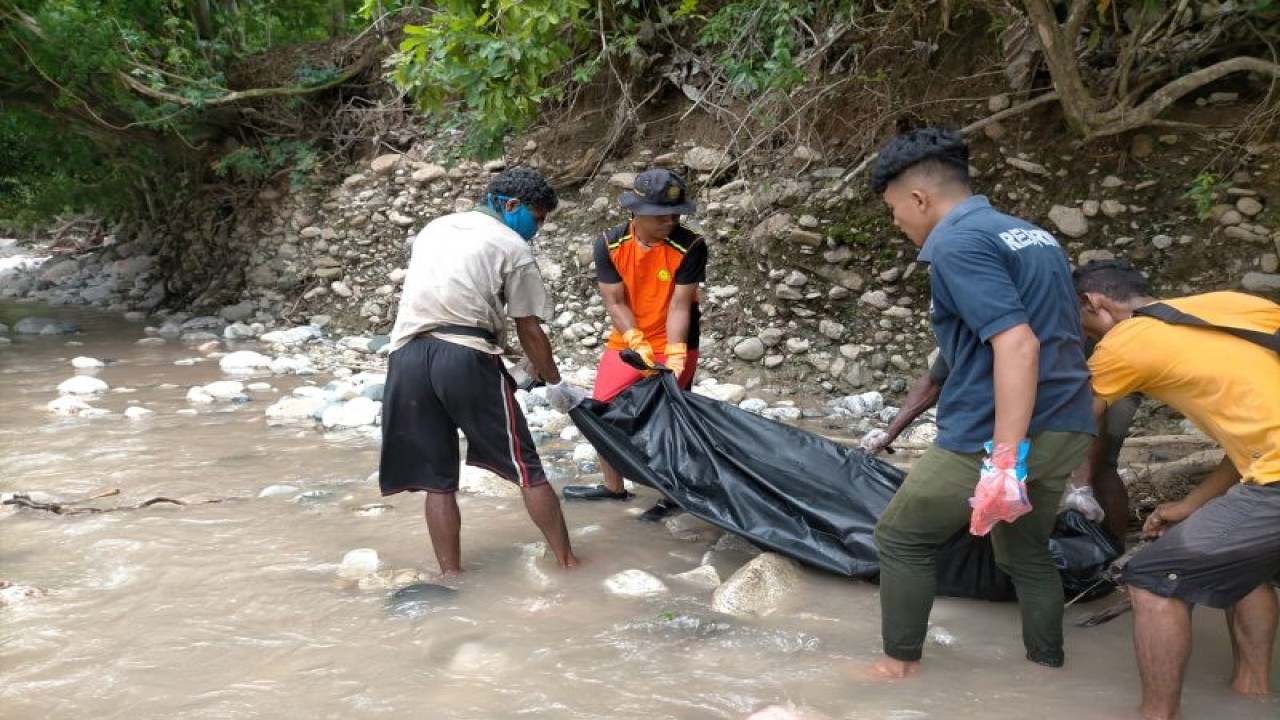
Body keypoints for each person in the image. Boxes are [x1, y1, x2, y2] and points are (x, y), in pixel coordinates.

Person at [866, 128, 1095, 678]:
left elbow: (1018, 342)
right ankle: (1047, 669)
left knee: (900, 537)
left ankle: (897, 669)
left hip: (996, 431)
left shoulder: (957, 243)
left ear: (919, 198)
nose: (898, 223)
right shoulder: (1031, 235)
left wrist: (1003, 459)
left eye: (895, 210)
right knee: (1024, 554)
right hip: (1070, 423)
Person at [1073, 258, 1280, 720]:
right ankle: (1253, 694)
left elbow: (1075, 424)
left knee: (1150, 580)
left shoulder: (1125, 342)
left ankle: (1157, 715)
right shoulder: (1234, 305)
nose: (1088, 338)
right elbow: (1256, 439)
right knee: (1244, 565)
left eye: (1083, 325)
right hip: (1269, 470)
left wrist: (1013, 476)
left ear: (1094, 303)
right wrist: (1190, 505)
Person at [378, 166, 584, 577]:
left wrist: (493, 340)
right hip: (465, 361)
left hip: (406, 359)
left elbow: (451, 298)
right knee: (527, 469)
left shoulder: (435, 228)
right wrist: (556, 384)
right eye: (537, 218)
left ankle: (451, 576)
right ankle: (569, 563)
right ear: (510, 205)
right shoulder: (512, 245)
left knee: (438, 481)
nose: (536, 229)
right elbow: (530, 328)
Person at [861, 354, 1136, 546]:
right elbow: (934, 381)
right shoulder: (966, 325)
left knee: (1104, 466)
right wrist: (889, 432)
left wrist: (1081, 485)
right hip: (1027, 421)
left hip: (1098, 389)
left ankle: (1111, 551)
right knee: (1021, 537)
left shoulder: (1058, 331)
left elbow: (1090, 414)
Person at [561, 168, 709, 522]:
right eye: (661, 215)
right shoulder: (610, 244)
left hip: (676, 338)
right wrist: (635, 340)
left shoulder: (691, 245)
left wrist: (673, 356)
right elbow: (615, 302)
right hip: (629, 336)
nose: (671, 221)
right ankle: (613, 487)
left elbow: (679, 305)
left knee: (669, 417)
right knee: (600, 410)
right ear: (636, 212)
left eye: (675, 214)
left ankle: (672, 494)